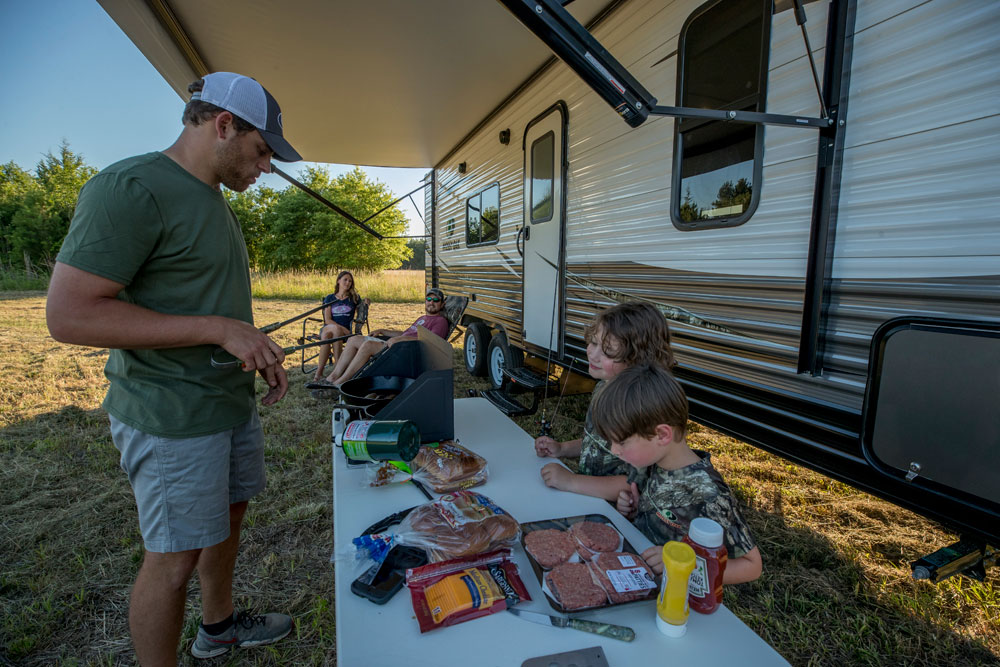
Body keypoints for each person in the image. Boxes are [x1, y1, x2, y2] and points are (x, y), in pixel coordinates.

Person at [46, 72, 301, 664]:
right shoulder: (132, 187)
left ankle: (218, 628)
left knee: (228, 520)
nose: (265, 168)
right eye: (262, 151)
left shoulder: (212, 199)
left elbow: (204, 301)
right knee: (173, 558)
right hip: (171, 414)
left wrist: (252, 347)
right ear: (223, 125)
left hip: (224, 402)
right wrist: (218, 329)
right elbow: (69, 316)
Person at [592, 364, 763, 584]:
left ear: (662, 435)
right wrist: (634, 509)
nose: (614, 450)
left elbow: (751, 566)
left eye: (621, 442)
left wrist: (681, 563)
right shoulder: (652, 461)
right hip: (641, 577)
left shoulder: (708, 494)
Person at [534, 301, 675, 501]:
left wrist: (570, 481)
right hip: (589, 498)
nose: (592, 352)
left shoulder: (639, 408)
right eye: (593, 342)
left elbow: (634, 483)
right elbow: (596, 442)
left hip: (614, 511)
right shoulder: (604, 386)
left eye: (607, 351)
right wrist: (562, 449)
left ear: (636, 359)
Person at [318, 287, 449, 386]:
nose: (431, 302)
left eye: (436, 300)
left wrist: (400, 340)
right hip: (397, 344)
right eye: (429, 299)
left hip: (407, 354)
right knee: (353, 339)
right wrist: (382, 330)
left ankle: (341, 383)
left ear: (442, 304)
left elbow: (432, 343)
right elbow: (404, 333)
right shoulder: (422, 318)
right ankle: (332, 377)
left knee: (368, 345)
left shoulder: (440, 321)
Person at [311, 270, 370, 381]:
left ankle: (318, 374)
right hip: (330, 327)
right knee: (333, 330)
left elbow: (361, 314)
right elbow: (327, 320)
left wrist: (365, 304)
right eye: (345, 280)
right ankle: (337, 369)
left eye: (350, 281)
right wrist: (341, 328)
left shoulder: (354, 298)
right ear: (338, 281)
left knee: (329, 336)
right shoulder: (330, 298)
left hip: (341, 332)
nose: (347, 283)